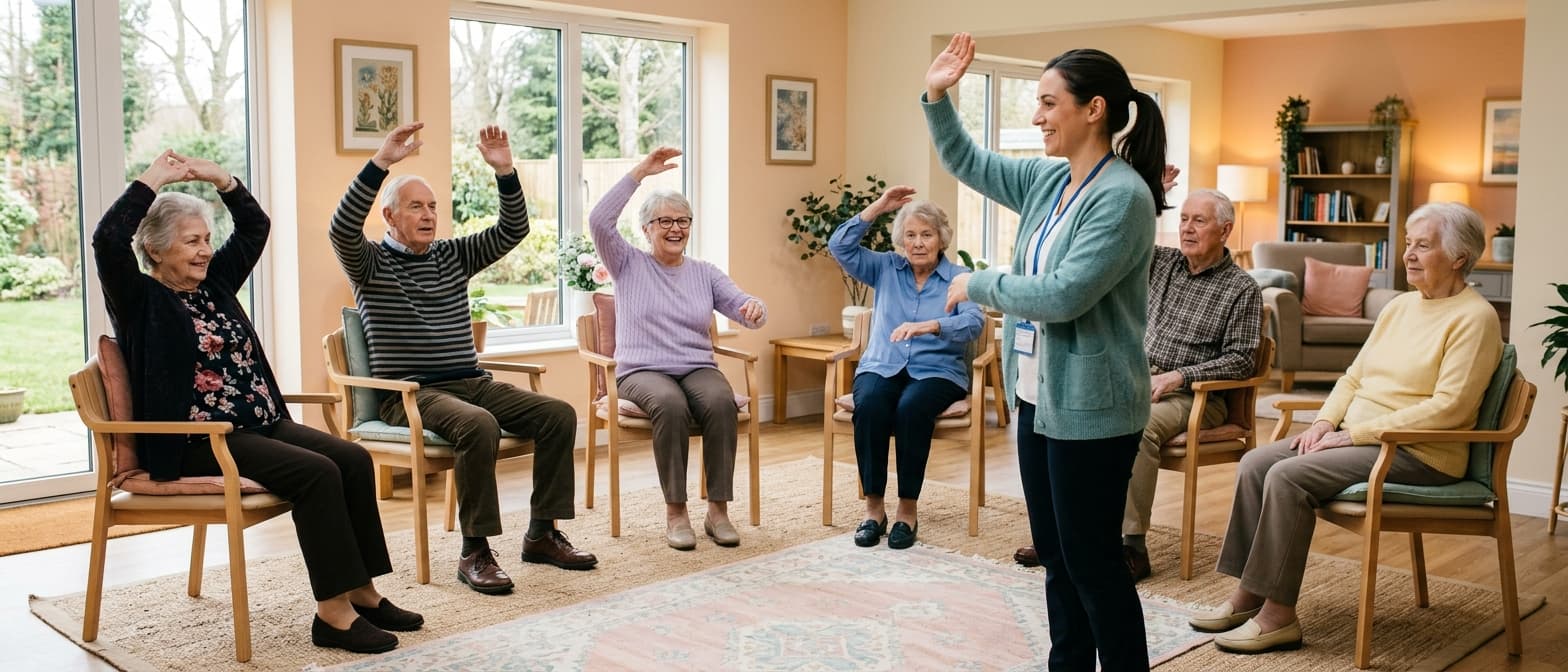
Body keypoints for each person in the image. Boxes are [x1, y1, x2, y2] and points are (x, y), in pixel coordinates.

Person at [94, 150, 420, 653]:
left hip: (260, 425)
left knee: (352, 459)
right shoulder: (140, 300)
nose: (205, 251)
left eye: (206, 240)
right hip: (200, 440)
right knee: (317, 474)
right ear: (156, 251)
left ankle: (362, 592)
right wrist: (154, 179)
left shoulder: (215, 285)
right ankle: (332, 616)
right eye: (191, 242)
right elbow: (107, 239)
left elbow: (253, 226)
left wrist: (222, 179)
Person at [927, 33, 1171, 670]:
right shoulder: (1047, 180)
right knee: (1057, 556)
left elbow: (1064, 296)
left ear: (1094, 109)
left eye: (1046, 102)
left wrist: (976, 283)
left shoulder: (1123, 197)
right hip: (1038, 397)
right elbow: (968, 162)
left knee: (1093, 563)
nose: (1035, 117)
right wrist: (937, 96)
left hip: (1094, 405)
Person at [1190, 202, 1501, 654]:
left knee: (1288, 475)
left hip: (1422, 453)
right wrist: (1323, 421)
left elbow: (1449, 409)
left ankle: (1278, 617)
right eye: (1408, 244)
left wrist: (1355, 433)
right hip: (1363, 438)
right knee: (1257, 463)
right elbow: (1354, 376)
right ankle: (1248, 595)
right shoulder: (1400, 307)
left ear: (1459, 257)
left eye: (1423, 246)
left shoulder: (1475, 318)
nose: (1409, 255)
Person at [329, 123, 596, 595]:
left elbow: (513, 229)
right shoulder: (370, 264)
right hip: (413, 393)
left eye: (433, 206)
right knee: (478, 425)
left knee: (557, 415)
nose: (429, 215)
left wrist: (505, 171)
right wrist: (381, 163)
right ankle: (475, 550)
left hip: (470, 381)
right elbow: (340, 227)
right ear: (389, 216)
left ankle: (542, 534)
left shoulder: (452, 255)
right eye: (416, 206)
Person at [1015, 189, 1262, 580]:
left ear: (1226, 229)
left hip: (1195, 397)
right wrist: (1151, 191)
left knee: (1136, 427)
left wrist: (1178, 376)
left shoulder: (1242, 288)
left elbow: (1242, 359)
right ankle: (1061, 537)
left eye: (1199, 220)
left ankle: (1130, 546)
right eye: (1183, 219)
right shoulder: (1161, 263)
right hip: (1133, 378)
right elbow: (1123, 236)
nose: (1187, 228)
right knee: (1077, 412)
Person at [587, 148, 767, 550]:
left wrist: (755, 309)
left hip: (696, 367)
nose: (675, 228)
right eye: (664, 221)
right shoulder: (626, 263)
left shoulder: (704, 273)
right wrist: (638, 173)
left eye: (682, 221)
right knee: (670, 405)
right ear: (647, 229)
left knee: (721, 401)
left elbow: (744, 307)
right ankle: (676, 512)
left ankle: (718, 510)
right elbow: (599, 220)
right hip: (640, 371)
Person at [827, 186, 984, 549]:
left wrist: (932, 326)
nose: (917, 243)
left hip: (937, 371)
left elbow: (974, 324)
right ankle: (873, 510)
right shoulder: (885, 267)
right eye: (910, 235)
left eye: (926, 235)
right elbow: (840, 247)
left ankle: (907, 511)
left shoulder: (960, 277)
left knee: (912, 409)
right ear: (901, 240)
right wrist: (878, 207)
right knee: (871, 406)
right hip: (882, 363)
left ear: (941, 239)